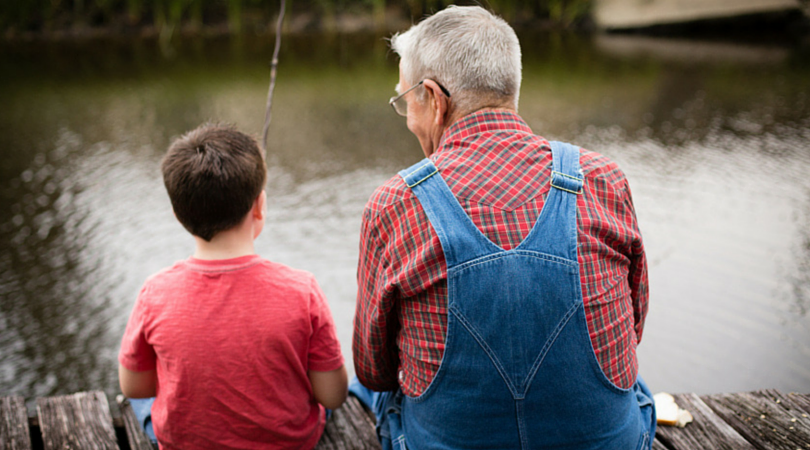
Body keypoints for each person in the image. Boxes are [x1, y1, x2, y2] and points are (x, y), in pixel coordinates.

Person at [352, 5, 656, 449]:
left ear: (434, 99)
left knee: (373, 392)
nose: (409, 118)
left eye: (405, 101)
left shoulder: (394, 204)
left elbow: (374, 369)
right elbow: (633, 328)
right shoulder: (603, 179)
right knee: (636, 385)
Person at [118, 123, 348, 449]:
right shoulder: (302, 289)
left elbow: (134, 387)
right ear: (259, 206)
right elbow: (333, 396)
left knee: (141, 404)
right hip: (289, 443)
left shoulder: (154, 292)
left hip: (187, 443)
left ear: (178, 214)